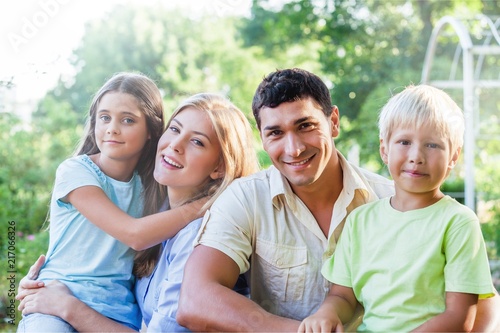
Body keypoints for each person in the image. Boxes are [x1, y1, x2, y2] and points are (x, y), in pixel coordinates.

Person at [176, 68, 500, 332]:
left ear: (333, 122)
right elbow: (195, 301)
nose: (294, 149)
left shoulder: (398, 200)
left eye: (305, 126)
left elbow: (480, 312)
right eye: (275, 133)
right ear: (262, 136)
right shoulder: (247, 198)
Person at [16, 93, 260, 332]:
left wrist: (68, 306)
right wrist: (42, 282)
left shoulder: (200, 237)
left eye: (197, 141)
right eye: (174, 129)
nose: (175, 145)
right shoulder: (153, 208)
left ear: (219, 166)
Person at [298, 84, 496, 332]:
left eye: (433, 145)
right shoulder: (360, 220)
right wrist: (326, 314)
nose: (417, 156)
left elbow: (459, 318)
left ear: (454, 157)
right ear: (384, 149)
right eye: (404, 142)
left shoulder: (458, 222)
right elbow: (343, 296)